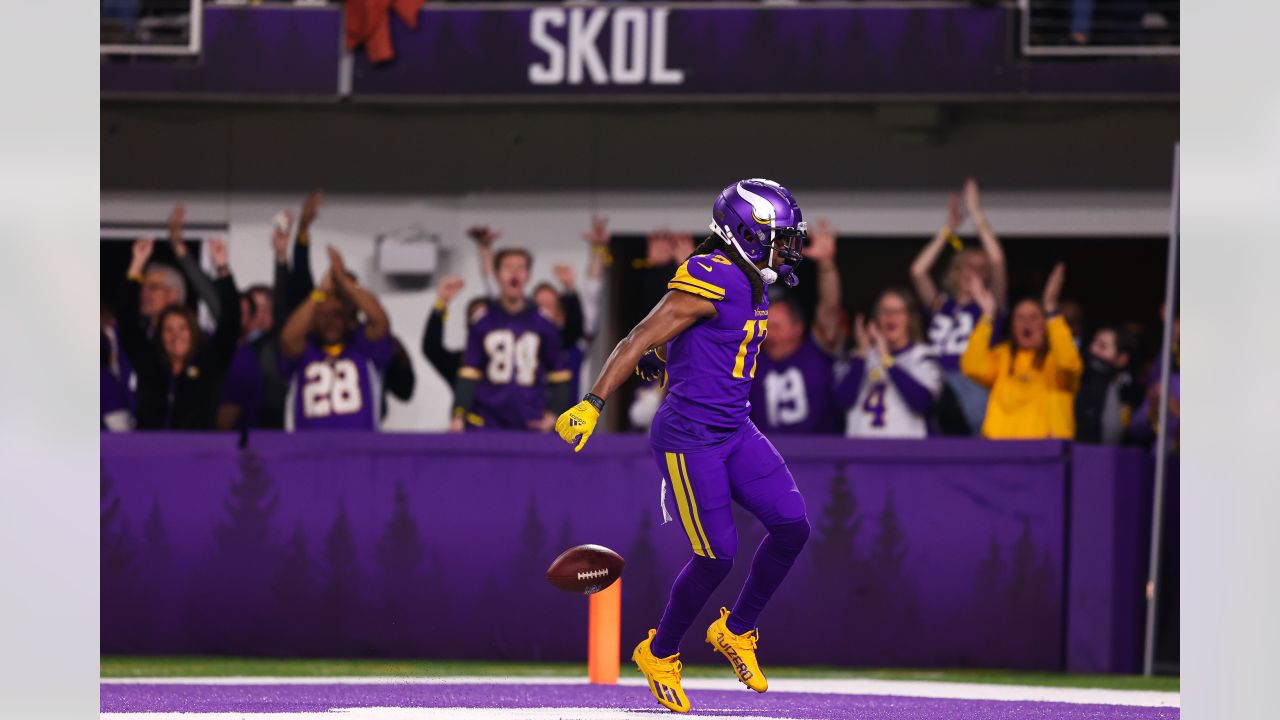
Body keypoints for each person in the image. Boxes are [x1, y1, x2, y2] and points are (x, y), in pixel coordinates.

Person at [556, 178, 812, 714]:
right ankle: (660, 652)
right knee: (717, 554)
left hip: (734, 426)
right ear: (745, 233)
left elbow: (703, 344)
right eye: (778, 237)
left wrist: (668, 358)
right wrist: (594, 403)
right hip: (690, 435)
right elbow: (638, 337)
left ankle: (736, 630)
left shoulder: (748, 276)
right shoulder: (713, 273)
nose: (788, 248)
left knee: (792, 526)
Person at [909, 179, 1008, 435]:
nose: (974, 272)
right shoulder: (943, 303)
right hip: (935, 380)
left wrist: (976, 214)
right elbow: (917, 271)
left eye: (981, 268)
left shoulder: (989, 306)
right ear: (957, 269)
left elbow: (998, 260)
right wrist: (948, 230)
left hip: (971, 384)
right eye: (969, 265)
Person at [116, 236, 241, 430]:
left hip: (197, 456)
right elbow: (126, 321)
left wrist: (222, 268)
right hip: (149, 454)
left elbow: (231, 322)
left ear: (194, 332)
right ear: (159, 337)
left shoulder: (209, 362)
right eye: (168, 330)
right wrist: (137, 264)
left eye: (183, 328)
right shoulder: (149, 364)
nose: (176, 336)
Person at [452, 247, 572, 431]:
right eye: (508, 267)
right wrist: (458, 414)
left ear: (528, 276)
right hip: (486, 422)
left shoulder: (543, 323)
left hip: (531, 422)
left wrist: (553, 413)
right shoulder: (482, 321)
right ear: (498, 275)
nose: (514, 273)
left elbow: (560, 374)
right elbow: (469, 371)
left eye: (520, 267)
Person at [960, 263, 1083, 440]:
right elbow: (971, 366)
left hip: (1046, 455)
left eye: (1034, 317)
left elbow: (1069, 365)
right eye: (1020, 318)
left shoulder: (1055, 360)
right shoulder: (1003, 356)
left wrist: (1051, 311)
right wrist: (987, 315)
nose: (1026, 324)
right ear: (1012, 326)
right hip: (1002, 451)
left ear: (1044, 323)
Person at [279, 246, 394, 431]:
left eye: (337, 315)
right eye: (323, 315)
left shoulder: (363, 346)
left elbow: (380, 321)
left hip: (360, 452)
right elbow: (287, 339)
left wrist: (344, 283)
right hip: (307, 454)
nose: (330, 321)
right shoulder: (305, 350)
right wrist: (319, 292)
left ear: (348, 318)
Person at [748, 219, 843, 435]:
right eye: (765, 326)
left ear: (798, 328)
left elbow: (830, 311)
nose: (768, 333)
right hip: (766, 460)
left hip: (820, 460)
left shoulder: (815, 351)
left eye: (776, 326)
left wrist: (827, 266)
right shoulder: (751, 360)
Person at [836, 289, 942, 439]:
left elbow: (922, 402)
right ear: (876, 319)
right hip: (861, 452)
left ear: (910, 318)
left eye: (898, 312)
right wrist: (862, 354)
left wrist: (887, 361)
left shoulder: (923, 355)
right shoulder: (858, 357)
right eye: (885, 312)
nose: (891, 317)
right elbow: (842, 402)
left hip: (906, 453)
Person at [1075, 326, 1143, 444]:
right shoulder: (1079, 376)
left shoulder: (1129, 391)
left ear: (1122, 358)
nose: (1093, 349)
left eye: (1102, 346)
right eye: (1093, 342)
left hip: (1110, 456)